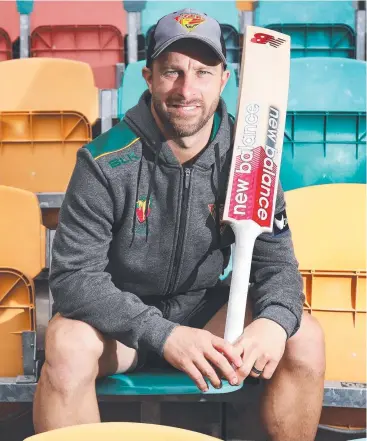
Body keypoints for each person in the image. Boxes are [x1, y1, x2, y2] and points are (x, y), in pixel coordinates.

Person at [33, 9, 325, 441]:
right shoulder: (105, 162)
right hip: (118, 327)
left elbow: (278, 266)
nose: (187, 89)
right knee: (66, 345)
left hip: (203, 312)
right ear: (149, 77)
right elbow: (74, 279)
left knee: (304, 337)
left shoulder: (250, 159)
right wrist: (163, 333)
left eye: (203, 73)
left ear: (224, 80)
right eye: (173, 72)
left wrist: (275, 322)